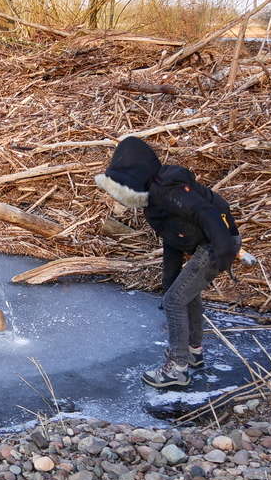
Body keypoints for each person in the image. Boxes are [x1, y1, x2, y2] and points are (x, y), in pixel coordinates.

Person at [95, 136, 240, 388]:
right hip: (213, 243)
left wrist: (223, 250)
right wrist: (169, 280)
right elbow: (173, 238)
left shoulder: (167, 190)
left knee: (175, 301)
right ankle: (193, 352)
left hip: (218, 244)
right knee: (184, 296)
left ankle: (177, 368)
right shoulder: (155, 195)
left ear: (134, 172)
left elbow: (205, 211)